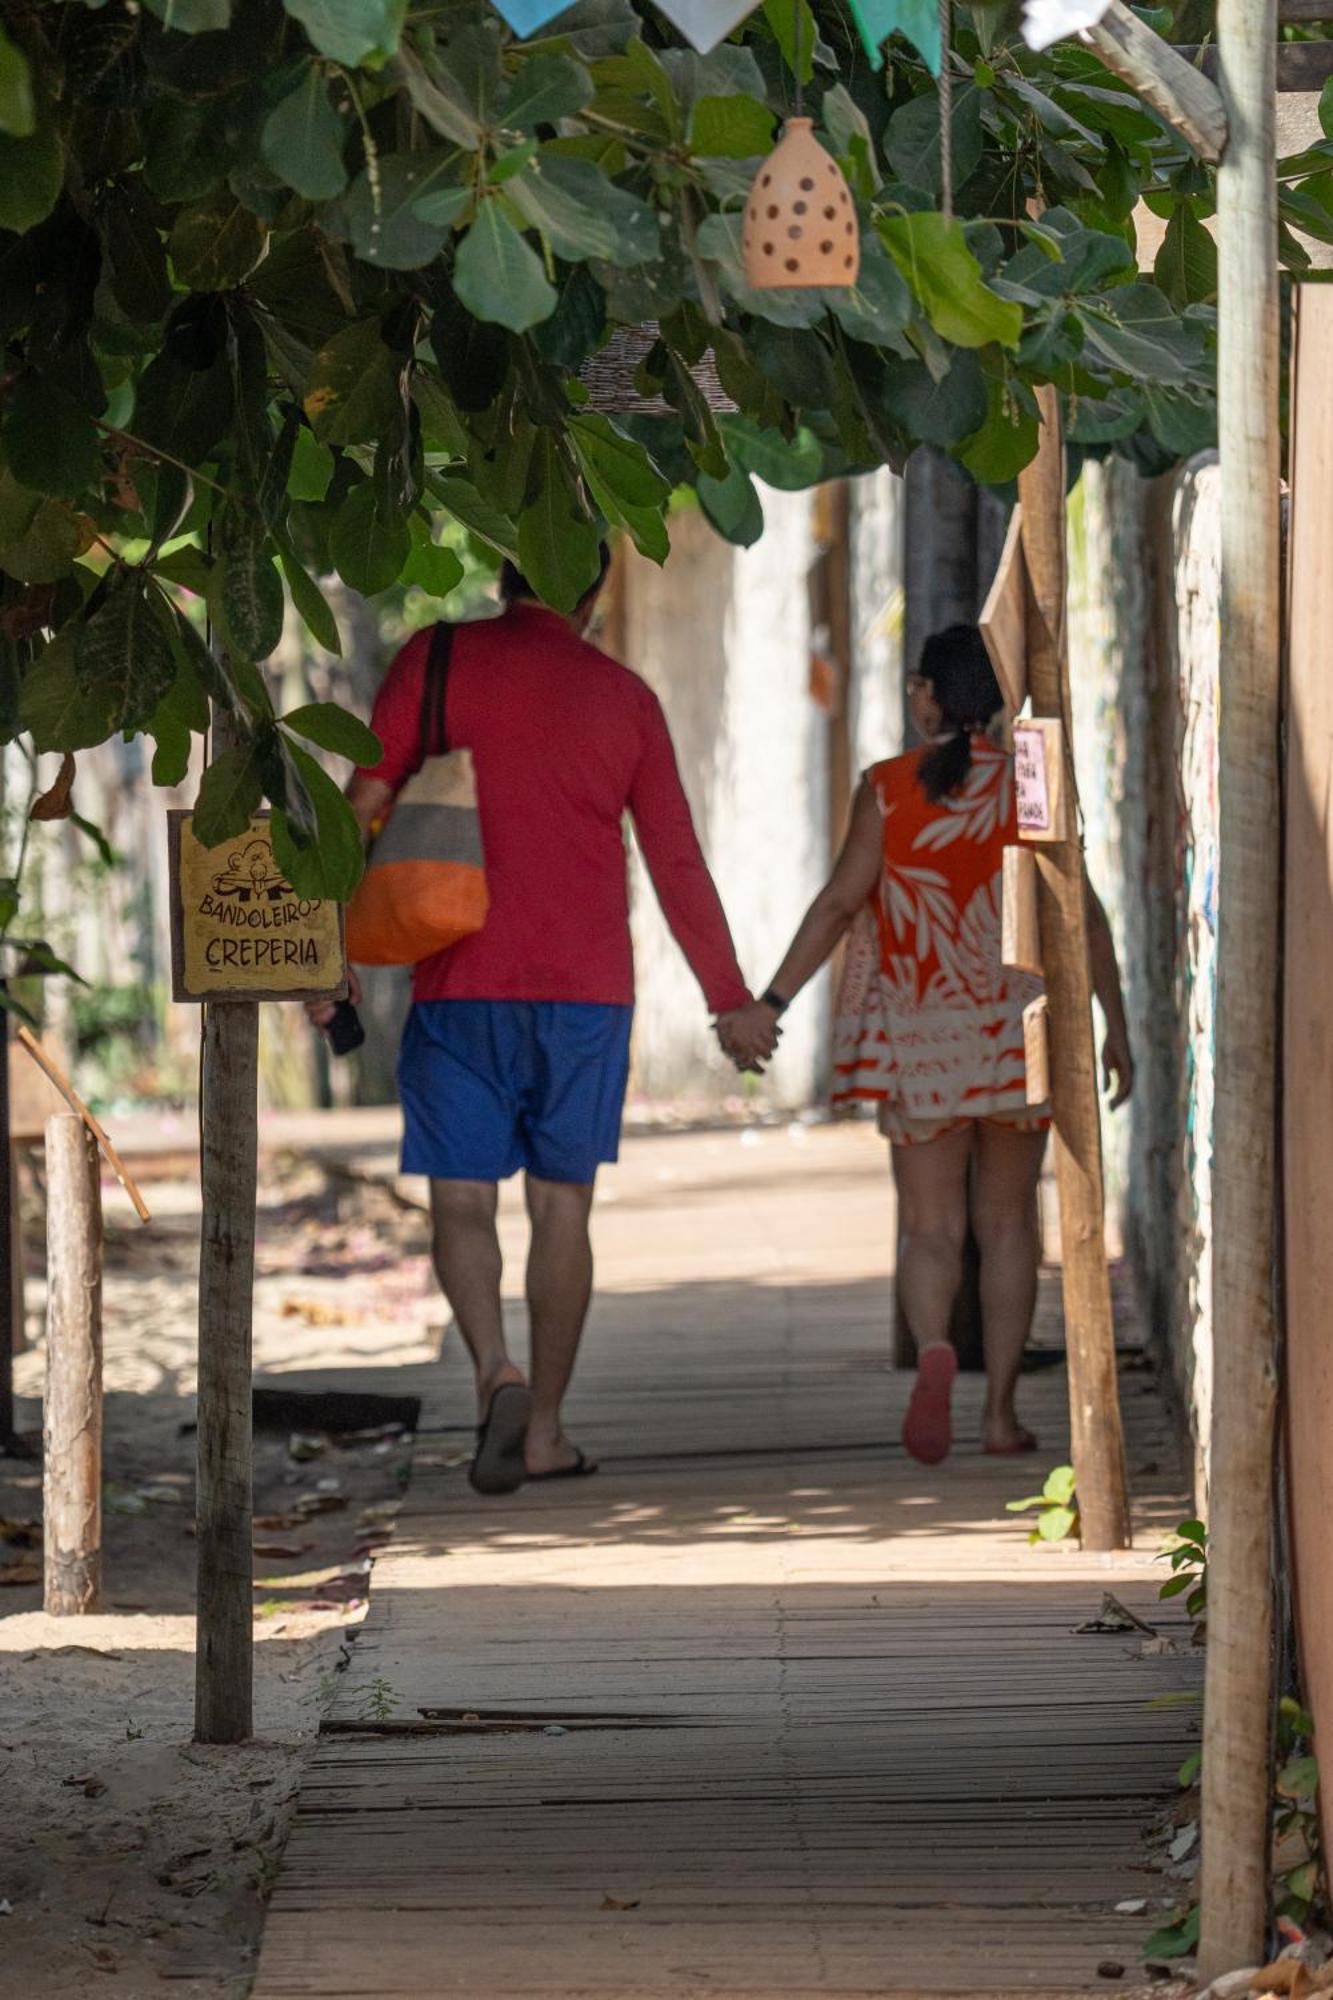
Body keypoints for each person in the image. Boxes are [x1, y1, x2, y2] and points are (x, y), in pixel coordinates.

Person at [311, 551, 754, 1494]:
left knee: (461, 1199)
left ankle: (491, 1373)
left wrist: (322, 953)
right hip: (585, 993)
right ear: (595, 592)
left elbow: (356, 811)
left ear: (502, 571)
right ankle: (545, 1429)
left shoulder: (432, 660)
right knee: (562, 1206)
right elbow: (676, 861)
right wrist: (728, 1000)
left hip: (457, 978)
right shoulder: (622, 697)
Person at [717, 623, 1132, 1466]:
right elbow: (1081, 912)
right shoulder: (1031, 782)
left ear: (936, 696)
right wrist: (1113, 1023)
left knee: (932, 1229)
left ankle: (936, 1345)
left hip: (920, 1038)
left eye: (919, 685)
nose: (913, 697)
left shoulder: (885, 789)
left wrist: (771, 1000)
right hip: (1017, 1035)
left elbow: (838, 905)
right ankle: (1001, 1415)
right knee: (1010, 1225)